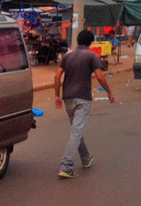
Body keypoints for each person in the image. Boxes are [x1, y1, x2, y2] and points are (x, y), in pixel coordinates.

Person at [54, 30, 115, 179]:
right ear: (91, 42)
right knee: (76, 131)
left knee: (77, 130)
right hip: (82, 98)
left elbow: (57, 76)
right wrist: (109, 92)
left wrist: (57, 95)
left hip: (68, 98)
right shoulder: (92, 56)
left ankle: (86, 158)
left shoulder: (67, 55)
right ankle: (66, 165)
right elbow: (100, 76)